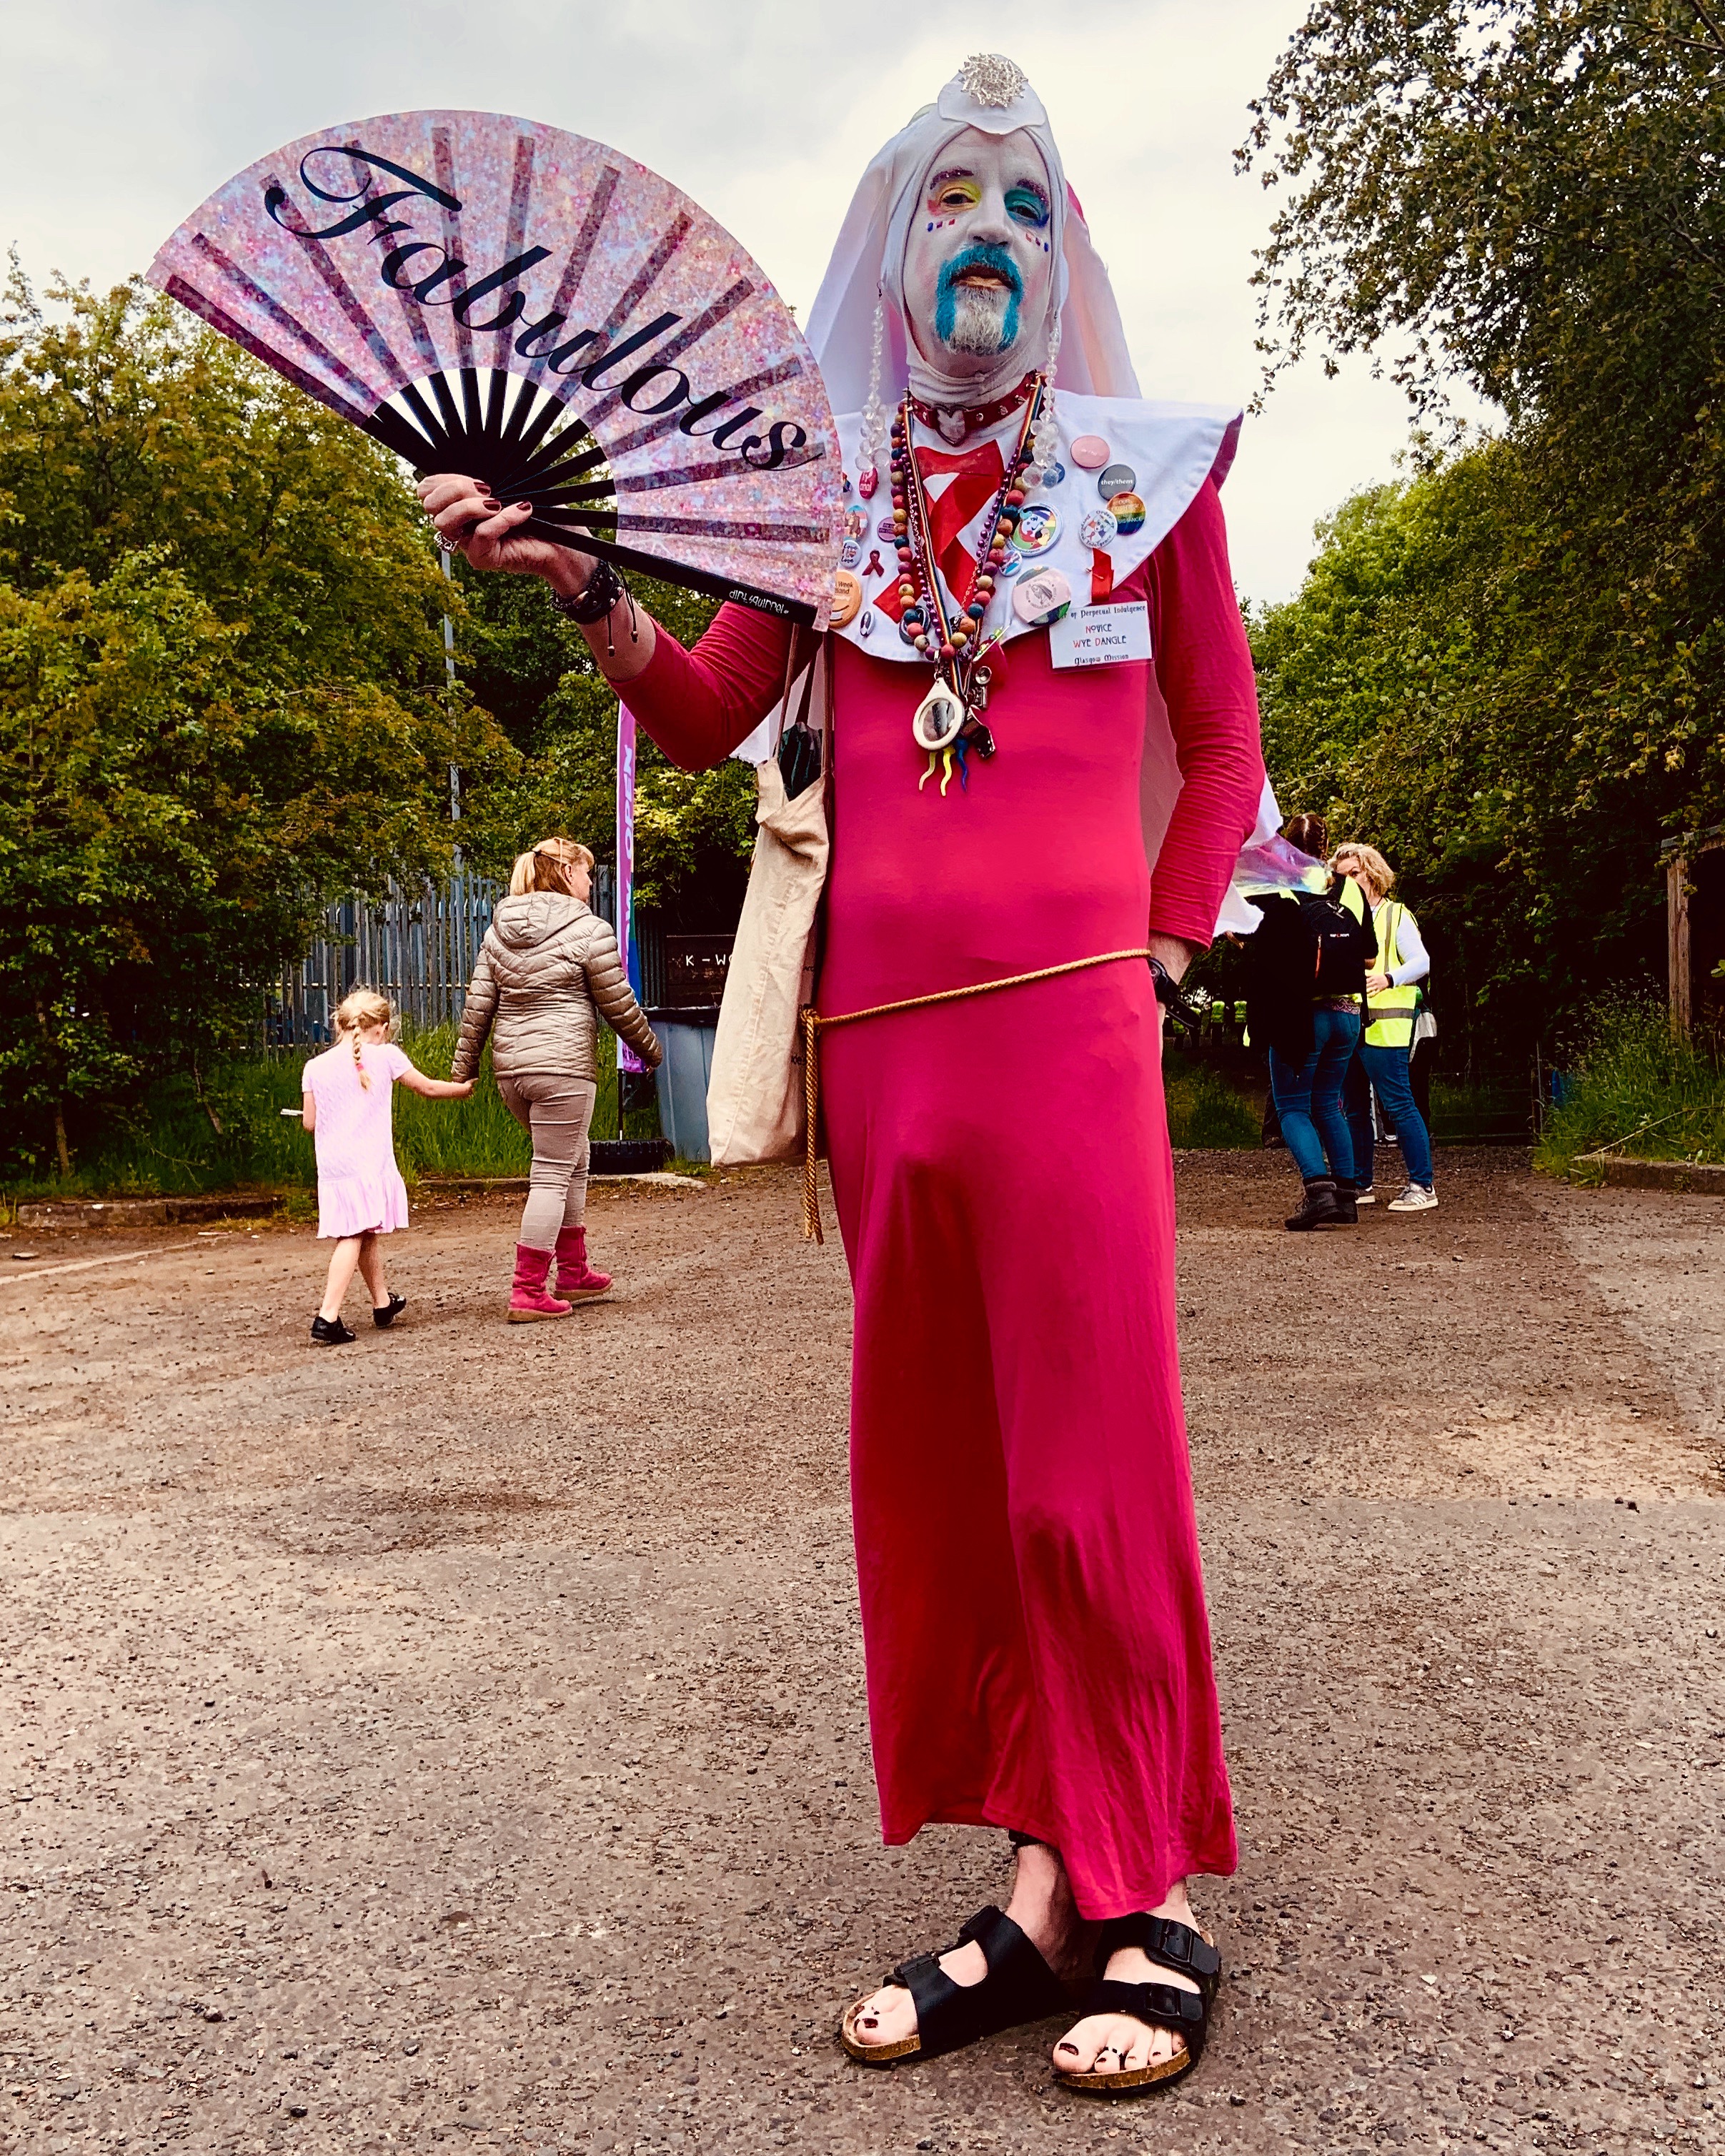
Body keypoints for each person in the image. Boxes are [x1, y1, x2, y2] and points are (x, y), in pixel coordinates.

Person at [423, 54, 1267, 2096]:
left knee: (1091, 1465)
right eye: (949, 200)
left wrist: (1154, 957)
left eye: (1025, 207)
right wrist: (590, 586)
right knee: (945, 1480)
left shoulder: (1145, 481)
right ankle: (1040, 1882)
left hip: (1070, 1025)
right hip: (885, 1045)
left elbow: (1221, 750)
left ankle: (1149, 1893)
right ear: (890, 248)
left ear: (1058, 259)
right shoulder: (824, 497)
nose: (987, 235)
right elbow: (714, 715)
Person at [451, 838, 660, 1321]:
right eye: (587, 872)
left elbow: (478, 1005)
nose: (592, 882)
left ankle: (573, 1270)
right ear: (567, 873)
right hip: (563, 1070)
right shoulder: (589, 930)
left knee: (573, 1157)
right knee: (550, 1172)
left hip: (514, 1075)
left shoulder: (497, 931)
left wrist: (465, 1069)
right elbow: (617, 1003)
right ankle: (527, 1290)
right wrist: (650, 1049)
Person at [302, 988, 473, 1344]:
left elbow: (310, 1123)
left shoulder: (314, 1067)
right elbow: (426, 1088)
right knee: (353, 1234)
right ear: (379, 1027)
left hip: (334, 1165)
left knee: (365, 1231)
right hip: (367, 1160)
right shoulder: (386, 1056)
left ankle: (382, 1303)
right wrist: (462, 1089)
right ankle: (327, 1316)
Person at [1245, 815, 1373, 1230]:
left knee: (1293, 1107)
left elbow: (1257, 940)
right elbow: (1369, 956)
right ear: (1325, 846)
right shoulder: (1348, 888)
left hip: (1303, 1015)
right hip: (1348, 1014)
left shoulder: (1278, 883)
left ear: (1285, 844)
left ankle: (1318, 1193)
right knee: (1328, 1103)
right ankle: (1347, 1197)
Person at [1331, 843, 1437, 1212]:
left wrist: (1389, 978)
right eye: (1341, 875)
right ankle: (1362, 1184)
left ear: (1372, 873)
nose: (1348, 881)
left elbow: (1421, 962)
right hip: (1350, 1025)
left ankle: (1423, 1185)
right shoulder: (1340, 917)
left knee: (1398, 1104)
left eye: (1354, 873)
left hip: (1386, 1027)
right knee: (1356, 1110)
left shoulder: (1395, 915)